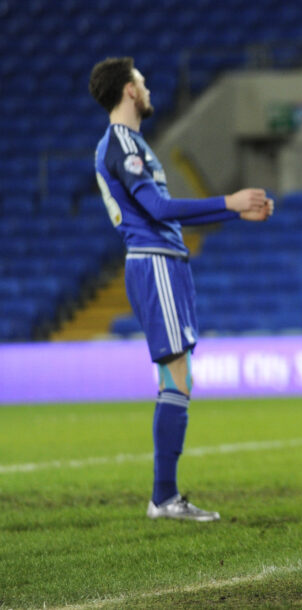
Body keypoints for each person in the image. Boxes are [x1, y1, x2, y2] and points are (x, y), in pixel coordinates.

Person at [89, 57, 274, 521]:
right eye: (142, 82)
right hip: (154, 262)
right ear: (129, 90)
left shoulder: (131, 143)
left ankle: (164, 496)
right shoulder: (121, 144)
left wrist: (233, 211)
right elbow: (156, 207)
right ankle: (164, 498)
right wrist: (229, 203)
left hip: (165, 263)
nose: (148, 88)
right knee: (177, 376)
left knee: (180, 377)